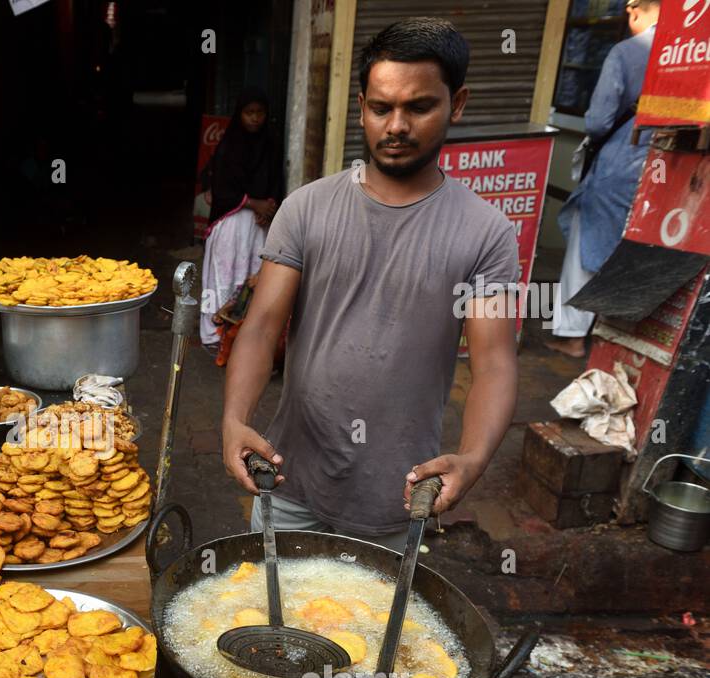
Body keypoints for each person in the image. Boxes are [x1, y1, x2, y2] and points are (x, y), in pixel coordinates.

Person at [221, 17, 520, 552]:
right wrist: (234, 419)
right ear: (361, 106)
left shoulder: (486, 233)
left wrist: (472, 459)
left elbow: (494, 363)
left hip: (399, 496)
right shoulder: (306, 208)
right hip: (289, 478)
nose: (397, 125)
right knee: (268, 622)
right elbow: (263, 326)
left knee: (371, 632)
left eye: (419, 106)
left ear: (458, 103)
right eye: (382, 108)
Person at [551, 0, 659, 358]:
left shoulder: (627, 52)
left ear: (634, 10)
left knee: (586, 247)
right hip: (668, 175)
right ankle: (620, 338)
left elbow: (598, 121)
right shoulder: (695, 56)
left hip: (622, 164)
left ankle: (571, 336)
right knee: (640, 250)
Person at [199, 89, 283, 348]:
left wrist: (269, 206)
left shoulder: (271, 143)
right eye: (249, 113)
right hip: (231, 223)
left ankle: (244, 336)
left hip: (260, 227)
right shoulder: (229, 146)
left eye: (260, 113)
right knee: (224, 278)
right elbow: (223, 189)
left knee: (252, 279)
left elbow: (277, 180)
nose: (255, 118)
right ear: (240, 114)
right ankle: (214, 334)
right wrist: (253, 203)